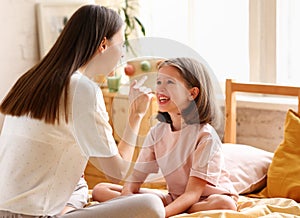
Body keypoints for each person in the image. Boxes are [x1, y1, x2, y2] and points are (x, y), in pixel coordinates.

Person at [0, 4, 165, 218]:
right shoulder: (82, 89)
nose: (123, 53)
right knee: (152, 205)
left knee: (79, 184)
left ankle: (66, 209)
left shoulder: (28, 80)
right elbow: (117, 173)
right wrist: (136, 116)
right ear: (103, 45)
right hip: (33, 215)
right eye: (121, 44)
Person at [92, 57, 239, 217]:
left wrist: (159, 214)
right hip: (174, 197)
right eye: (159, 82)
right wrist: (126, 199)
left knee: (226, 204)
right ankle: (159, 208)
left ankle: (161, 209)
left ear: (192, 93)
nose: (160, 88)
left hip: (205, 199)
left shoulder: (205, 136)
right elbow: (135, 179)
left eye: (170, 83)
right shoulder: (157, 132)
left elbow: (192, 194)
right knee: (101, 190)